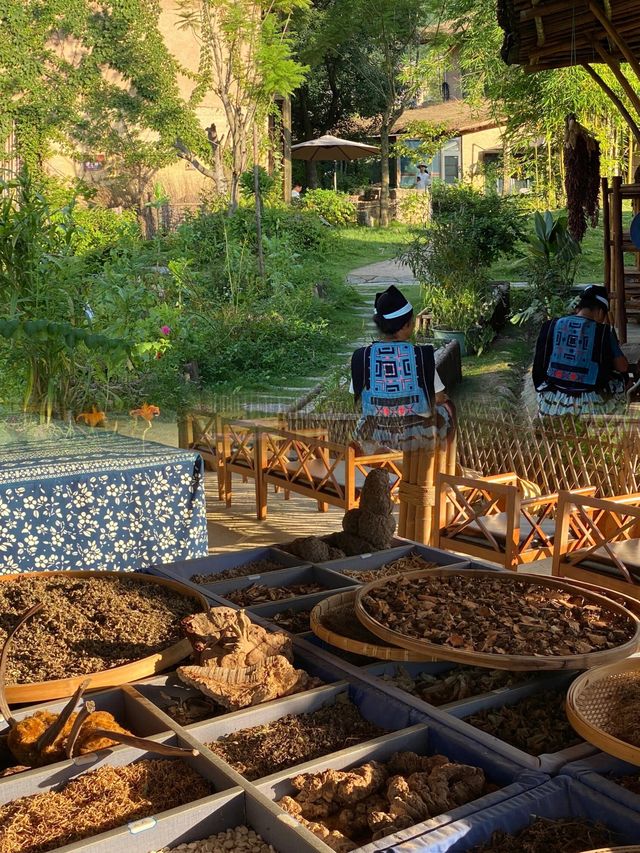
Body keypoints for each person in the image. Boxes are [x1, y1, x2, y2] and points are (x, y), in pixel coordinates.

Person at [350, 285, 448, 451]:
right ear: (405, 325)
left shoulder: (362, 356)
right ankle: (443, 463)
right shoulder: (421, 356)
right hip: (414, 438)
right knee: (447, 409)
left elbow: (356, 395)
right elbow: (438, 398)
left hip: (373, 437)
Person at [532, 285, 630, 416]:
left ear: (579, 308)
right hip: (591, 402)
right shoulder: (604, 331)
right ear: (600, 312)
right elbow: (622, 366)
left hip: (551, 400)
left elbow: (539, 364)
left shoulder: (551, 325)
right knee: (622, 379)